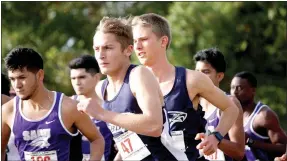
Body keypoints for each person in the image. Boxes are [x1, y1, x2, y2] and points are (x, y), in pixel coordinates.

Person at [131, 13, 239, 161]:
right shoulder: (131, 84)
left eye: (143, 39)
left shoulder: (191, 80)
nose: (137, 46)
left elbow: (231, 109)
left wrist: (216, 137)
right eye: (135, 40)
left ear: (163, 41)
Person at [77, 17, 178, 161]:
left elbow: (154, 126)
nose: (100, 55)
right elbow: (129, 140)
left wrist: (102, 113)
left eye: (108, 48)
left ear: (128, 50)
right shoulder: (102, 88)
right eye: (96, 49)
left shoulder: (139, 75)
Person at [1, 47, 104, 161]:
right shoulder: (8, 111)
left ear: (40, 75)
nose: (17, 85)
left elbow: (97, 140)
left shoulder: (68, 107)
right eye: (12, 79)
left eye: (22, 77)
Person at [194, 48, 245, 161]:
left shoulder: (229, 103)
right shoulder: (191, 102)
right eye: (197, 72)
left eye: (206, 72)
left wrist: (214, 139)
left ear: (219, 76)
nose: (199, 76)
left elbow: (239, 152)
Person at [69, 54, 117, 161]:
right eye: (73, 78)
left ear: (96, 77)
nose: (77, 82)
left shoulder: (111, 106)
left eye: (82, 77)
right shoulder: (66, 107)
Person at [230, 71, 287, 161]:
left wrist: (251, 142)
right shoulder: (230, 114)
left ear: (253, 90)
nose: (235, 92)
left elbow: (283, 148)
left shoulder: (264, 116)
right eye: (232, 88)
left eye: (239, 88)